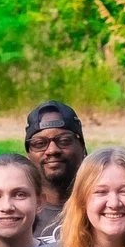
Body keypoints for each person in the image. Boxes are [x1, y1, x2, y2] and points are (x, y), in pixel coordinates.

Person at [22, 101, 87, 237]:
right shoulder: (16, 212)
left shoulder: (103, 208)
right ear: (28, 155)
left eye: (64, 141)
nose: (52, 150)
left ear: (82, 147)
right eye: (40, 144)